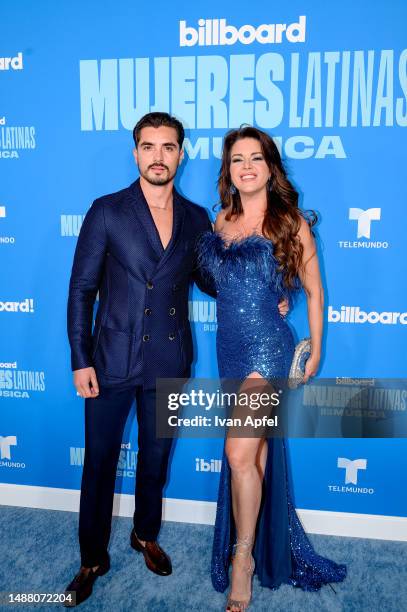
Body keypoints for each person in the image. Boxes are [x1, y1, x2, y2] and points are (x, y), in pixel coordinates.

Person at [64, 111, 291, 607]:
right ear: (136, 153)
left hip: (169, 359)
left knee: (156, 459)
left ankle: (146, 535)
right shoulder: (106, 210)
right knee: (99, 463)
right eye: (149, 147)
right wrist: (81, 359)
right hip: (109, 361)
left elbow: (214, 279)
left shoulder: (195, 218)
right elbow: (81, 290)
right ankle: (91, 558)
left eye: (168, 147)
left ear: (181, 153)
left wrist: (268, 292)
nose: (158, 156)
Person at [197, 126, 347, 611]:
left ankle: (243, 558)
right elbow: (223, 285)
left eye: (255, 158)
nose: (245, 167)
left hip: (268, 352)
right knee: (254, 459)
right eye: (237, 159)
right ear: (229, 170)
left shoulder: (291, 223)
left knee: (239, 455)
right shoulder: (220, 220)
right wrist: (266, 292)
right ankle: (260, 544)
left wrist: (316, 348)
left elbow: (316, 290)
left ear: (270, 167)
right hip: (229, 351)